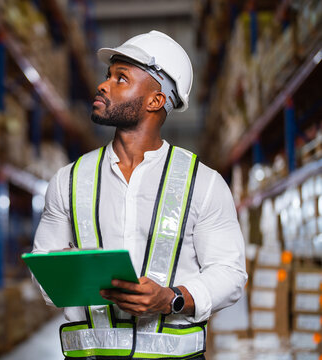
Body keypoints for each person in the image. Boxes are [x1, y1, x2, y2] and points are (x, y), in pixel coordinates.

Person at [32, 30, 247, 360]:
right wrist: (73, 272)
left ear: (155, 100)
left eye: (121, 79)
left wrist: (172, 298)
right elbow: (43, 271)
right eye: (108, 76)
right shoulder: (68, 180)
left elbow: (229, 273)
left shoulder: (202, 183)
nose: (104, 85)